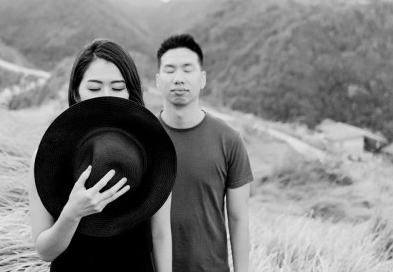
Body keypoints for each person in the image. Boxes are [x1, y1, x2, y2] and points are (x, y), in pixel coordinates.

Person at [28, 39, 175, 272]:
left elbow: (161, 234)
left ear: (130, 92)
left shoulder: (153, 149)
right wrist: (72, 214)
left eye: (117, 88)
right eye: (94, 88)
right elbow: (45, 252)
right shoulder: (48, 156)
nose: (107, 96)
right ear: (76, 93)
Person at [155, 34, 253, 272]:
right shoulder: (142, 138)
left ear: (202, 79)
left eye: (187, 69)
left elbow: (238, 218)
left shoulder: (229, 140)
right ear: (158, 80)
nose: (178, 78)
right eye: (170, 70)